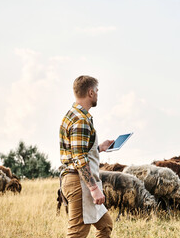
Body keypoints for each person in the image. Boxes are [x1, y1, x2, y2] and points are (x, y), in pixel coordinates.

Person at [59, 75, 114, 238]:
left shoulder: (72, 115)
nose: (97, 94)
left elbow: (77, 150)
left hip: (76, 180)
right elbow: (78, 158)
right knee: (77, 234)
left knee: (105, 225)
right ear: (90, 92)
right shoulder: (81, 120)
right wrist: (94, 189)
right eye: (96, 91)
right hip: (79, 183)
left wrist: (98, 148)